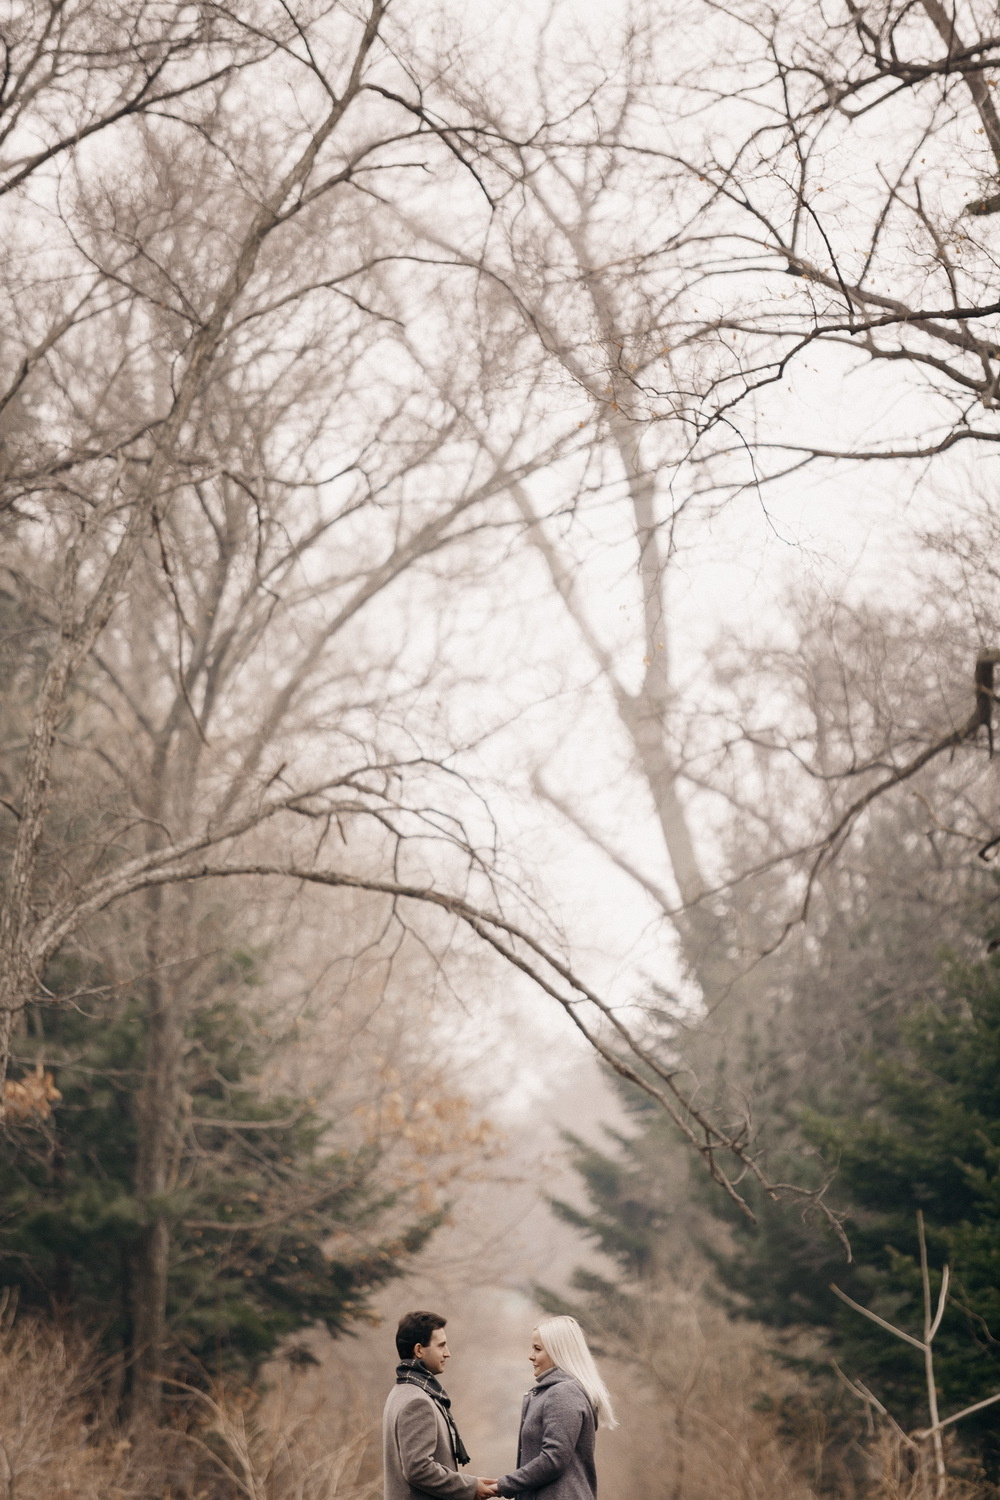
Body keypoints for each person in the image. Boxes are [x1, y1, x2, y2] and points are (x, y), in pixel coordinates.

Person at [495, 1316, 617, 1500]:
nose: (531, 1356)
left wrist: (503, 1485)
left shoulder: (563, 1393)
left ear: (557, 1351)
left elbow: (554, 1459)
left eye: (538, 1349)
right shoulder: (553, 1392)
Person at [383, 1309, 498, 1500]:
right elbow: (418, 1469)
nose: (448, 1353)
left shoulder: (400, 1393)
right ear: (419, 1350)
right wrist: (470, 1486)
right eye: (441, 1346)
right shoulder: (417, 1402)